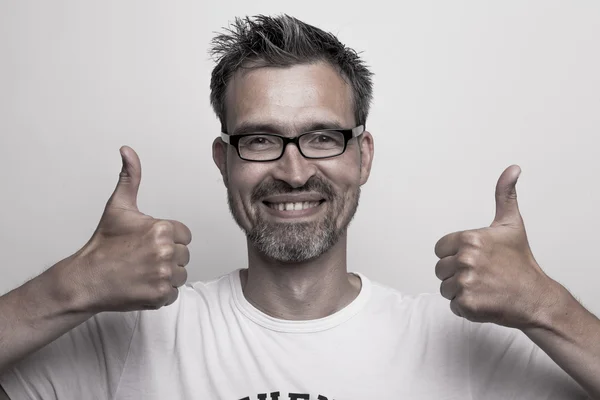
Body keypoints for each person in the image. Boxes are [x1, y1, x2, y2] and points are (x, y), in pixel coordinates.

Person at [0, 14, 598, 400]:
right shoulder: (132, 337)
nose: (292, 171)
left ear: (362, 156)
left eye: (321, 137)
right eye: (260, 139)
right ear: (224, 160)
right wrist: (68, 287)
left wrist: (548, 306)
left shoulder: (455, 341)